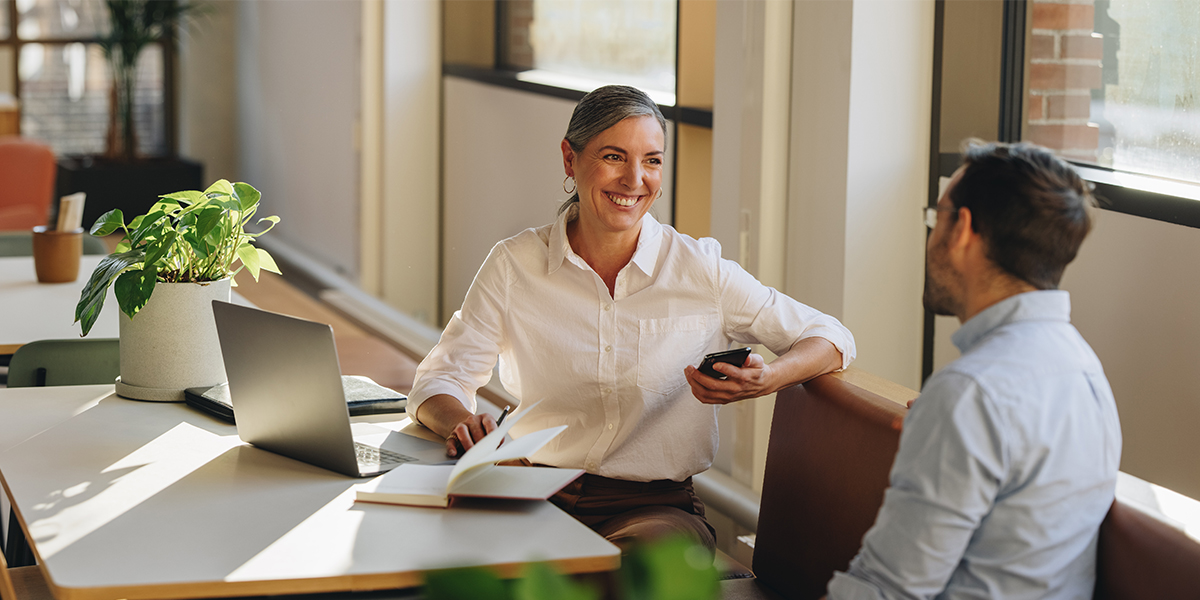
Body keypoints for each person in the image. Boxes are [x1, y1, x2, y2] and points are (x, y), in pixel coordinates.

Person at [407, 84, 855, 552]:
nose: (635, 179)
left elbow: (830, 336)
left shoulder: (699, 270)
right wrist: (463, 422)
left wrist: (770, 378)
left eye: (653, 161)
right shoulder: (514, 265)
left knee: (632, 573)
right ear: (569, 159)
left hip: (652, 510)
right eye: (614, 157)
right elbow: (439, 378)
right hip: (528, 491)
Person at [826, 141, 1122, 599]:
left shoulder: (971, 394)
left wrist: (951, 414)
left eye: (936, 218)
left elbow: (885, 590)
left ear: (962, 230)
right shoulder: (1085, 371)